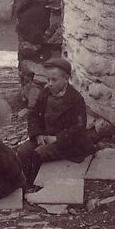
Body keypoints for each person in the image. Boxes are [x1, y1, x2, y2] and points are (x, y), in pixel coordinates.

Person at [16, 57, 90, 186]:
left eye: (54, 80)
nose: (49, 83)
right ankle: (23, 180)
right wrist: (38, 134)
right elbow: (33, 114)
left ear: (66, 79)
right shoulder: (46, 93)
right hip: (45, 136)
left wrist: (56, 138)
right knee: (22, 151)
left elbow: (78, 128)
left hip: (67, 143)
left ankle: (34, 184)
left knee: (38, 154)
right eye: (48, 79)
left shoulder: (75, 100)